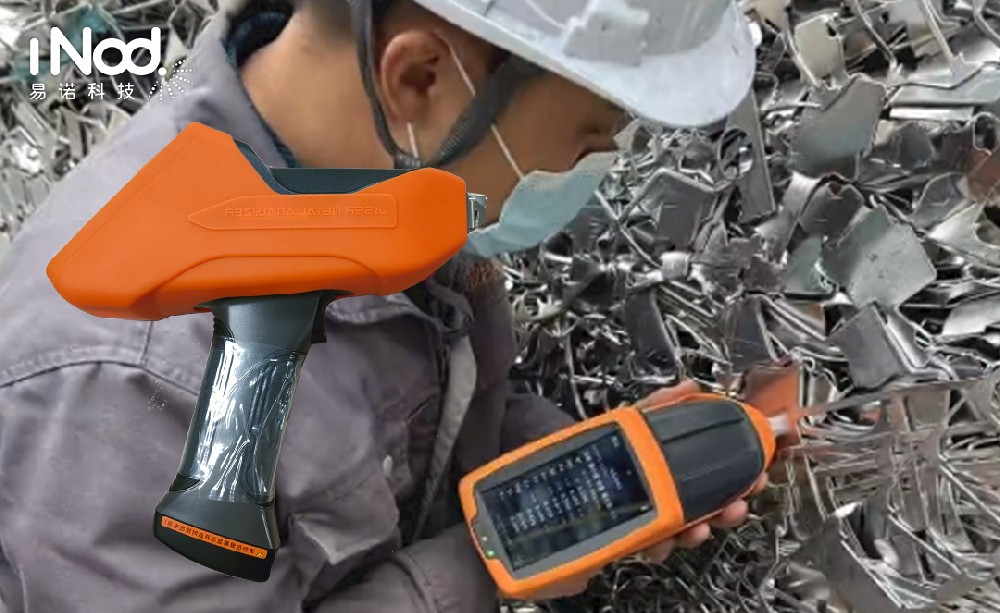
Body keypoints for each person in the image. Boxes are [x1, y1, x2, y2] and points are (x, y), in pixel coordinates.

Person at [0, 0, 764, 611]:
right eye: (587, 140)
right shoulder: (130, 382)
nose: (591, 171)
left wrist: (576, 468)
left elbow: (433, 405)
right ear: (419, 77)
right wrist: (488, 560)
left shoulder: (392, 169)